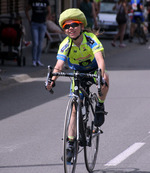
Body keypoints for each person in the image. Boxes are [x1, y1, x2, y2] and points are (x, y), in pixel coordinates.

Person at [46, 8, 109, 160]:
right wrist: (51, 81)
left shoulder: (91, 39)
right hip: (77, 74)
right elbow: (59, 65)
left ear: (81, 26)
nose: (70, 28)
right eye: (66, 26)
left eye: (74, 24)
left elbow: (100, 60)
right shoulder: (65, 44)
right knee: (74, 108)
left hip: (93, 70)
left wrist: (100, 77)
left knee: (105, 79)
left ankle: (99, 106)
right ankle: (71, 143)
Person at [25, 0, 51, 67]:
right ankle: (34, 60)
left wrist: (46, 19)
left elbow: (49, 11)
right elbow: (26, 10)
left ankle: (38, 60)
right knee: (35, 43)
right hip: (34, 23)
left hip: (42, 23)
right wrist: (29, 20)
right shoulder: (32, 1)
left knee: (40, 43)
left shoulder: (45, 1)